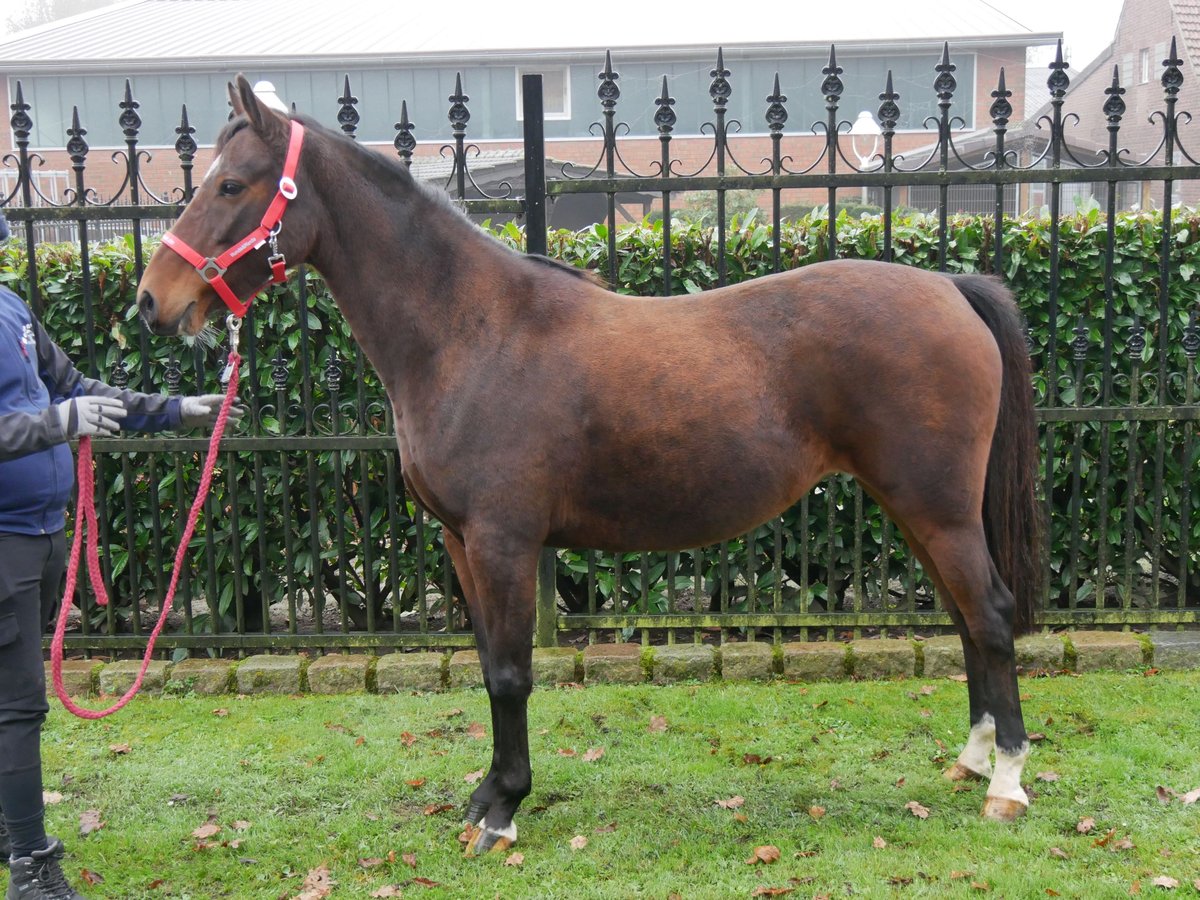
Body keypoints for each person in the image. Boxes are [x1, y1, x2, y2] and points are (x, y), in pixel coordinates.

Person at [0, 209, 241, 900]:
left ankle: (4, 827)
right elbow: (60, 411)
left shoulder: (10, 306)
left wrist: (173, 410)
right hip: (4, 542)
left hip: (40, 534)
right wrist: (57, 423)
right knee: (17, 707)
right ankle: (30, 868)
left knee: (7, 699)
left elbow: (74, 388)